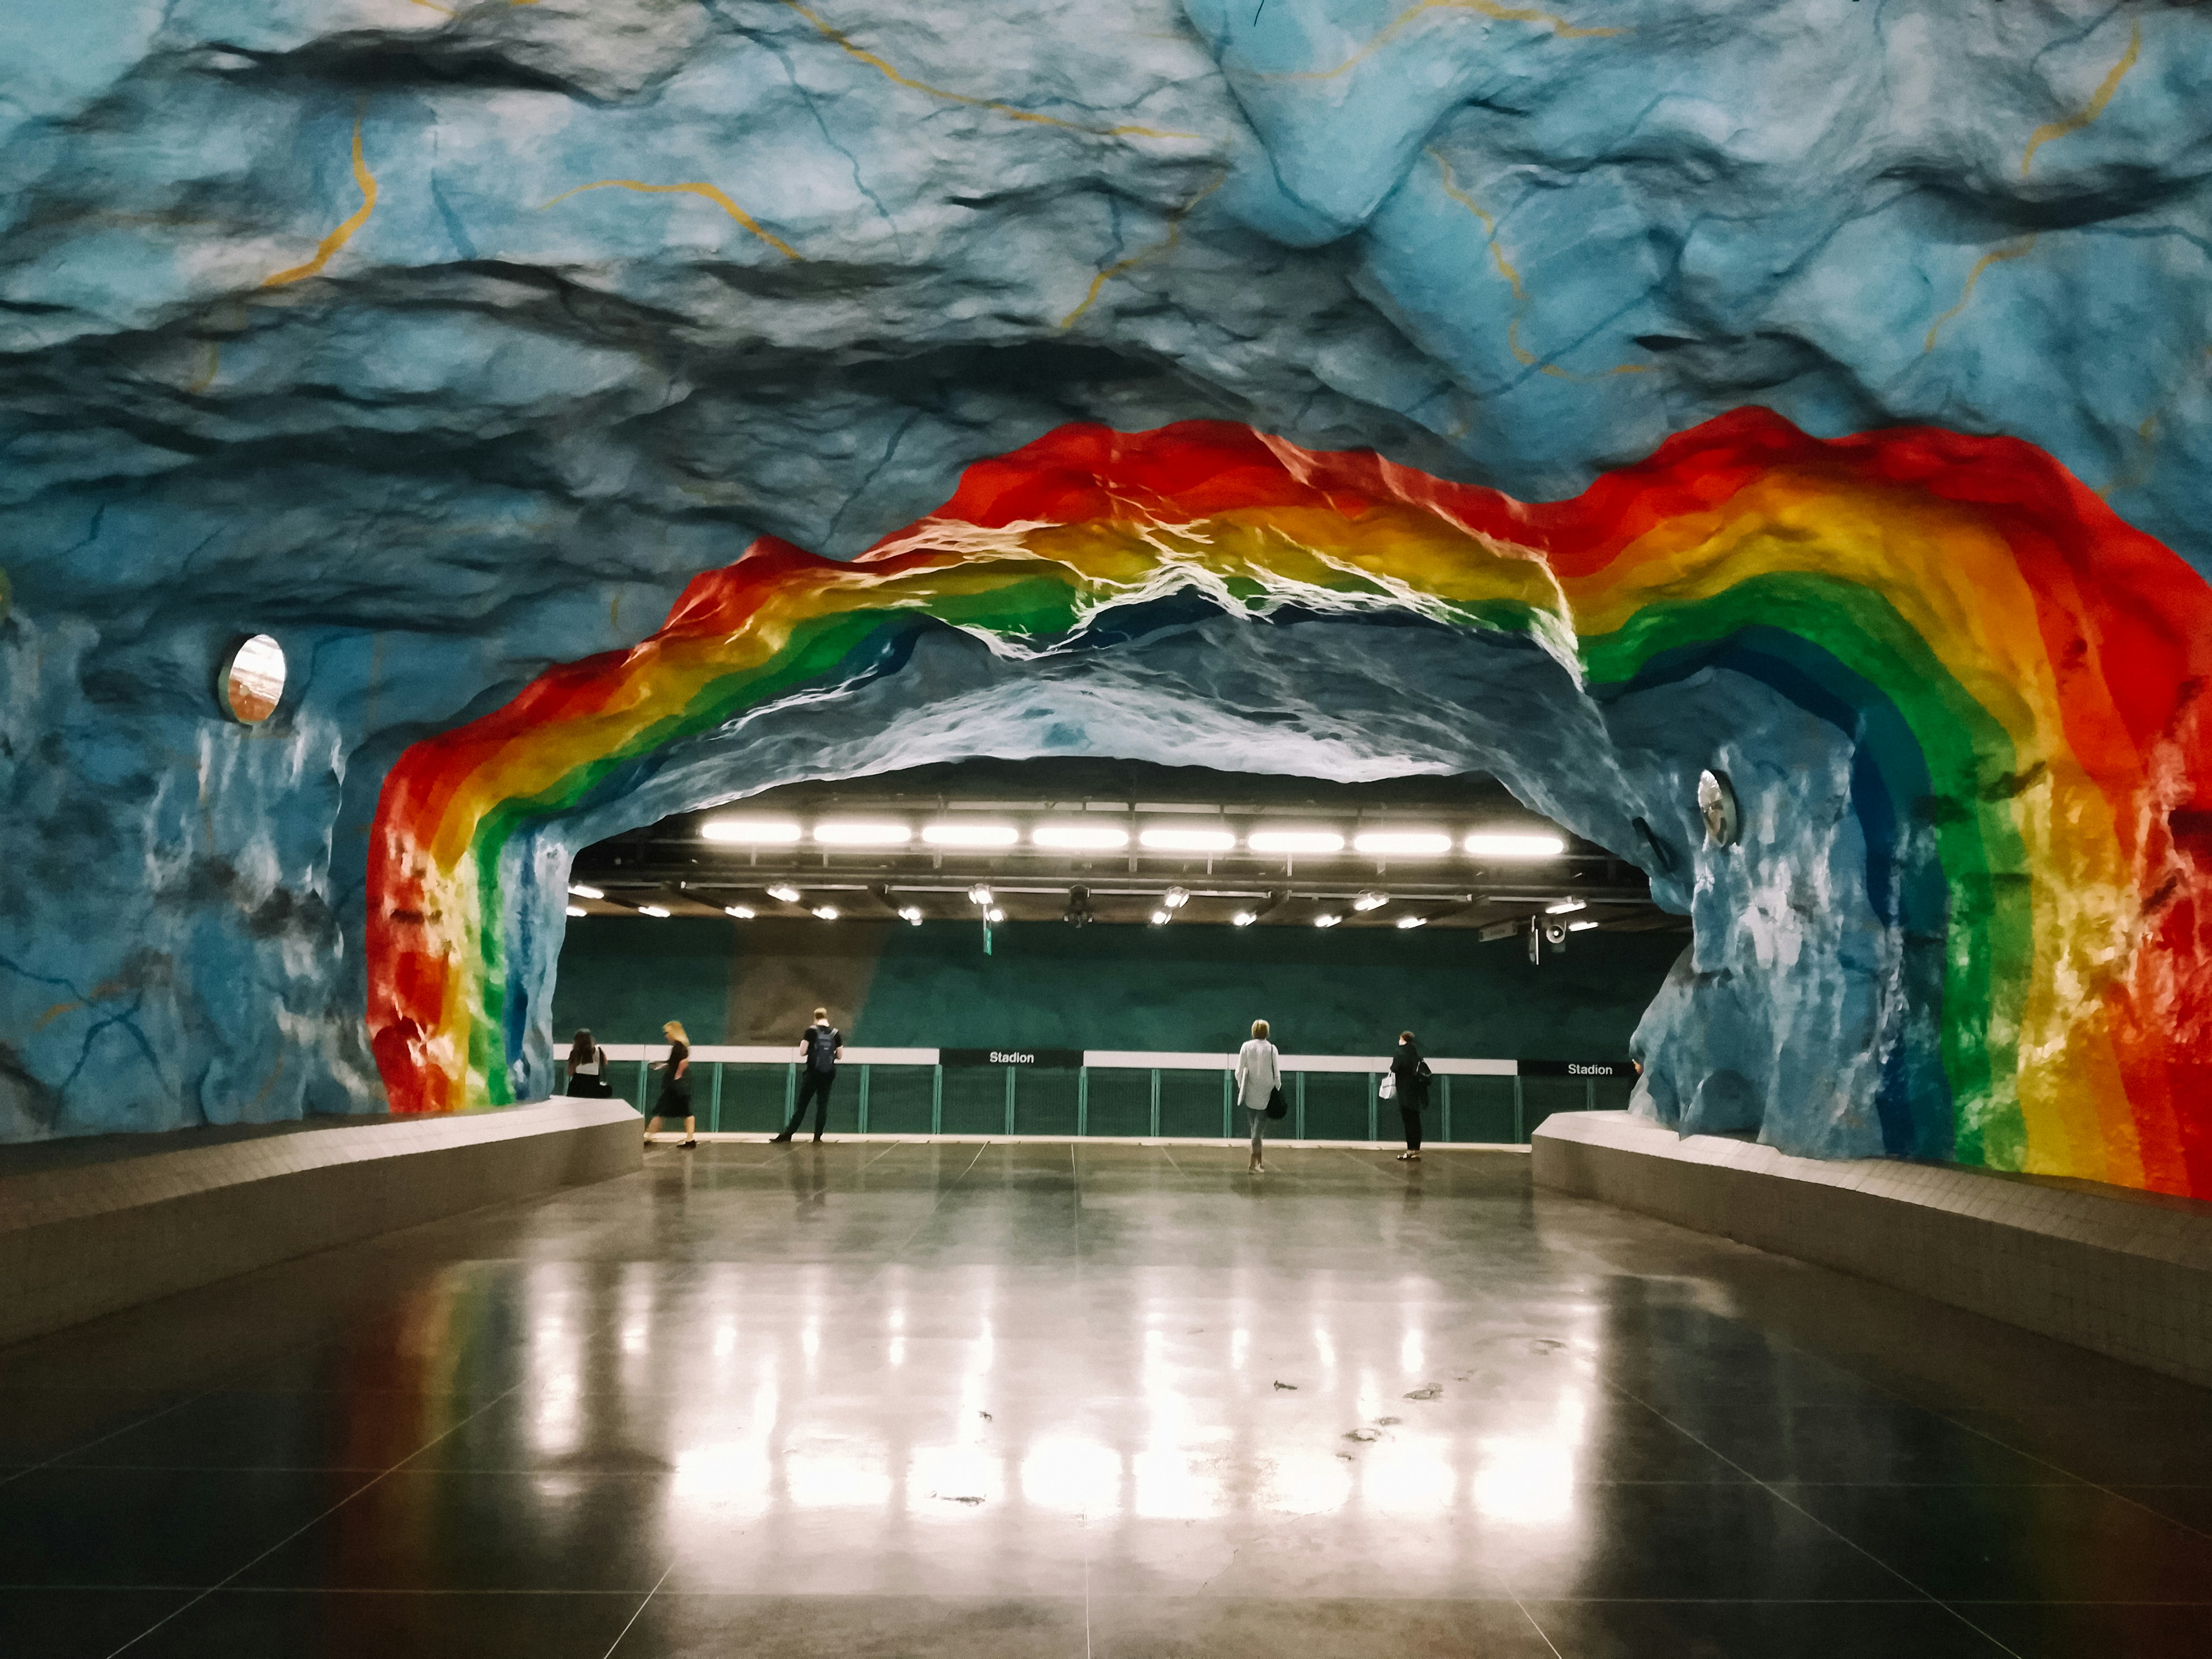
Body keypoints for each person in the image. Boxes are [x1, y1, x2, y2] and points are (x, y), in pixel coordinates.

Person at [773, 1007, 842, 1144]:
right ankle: (817, 1138)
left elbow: (802, 1052)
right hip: (828, 1073)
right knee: (823, 1105)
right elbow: (839, 1056)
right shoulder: (835, 1033)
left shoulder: (810, 1031)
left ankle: (789, 1134)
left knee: (802, 1105)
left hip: (812, 1073)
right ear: (827, 1017)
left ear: (815, 1018)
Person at [1236, 1018, 1281, 1175]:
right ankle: (1255, 1164)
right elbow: (1277, 1074)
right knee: (1257, 1132)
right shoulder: (1272, 1049)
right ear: (1267, 1032)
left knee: (1254, 1131)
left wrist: (1242, 1087)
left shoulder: (1246, 1047)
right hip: (1266, 1094)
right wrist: (1277, 1089)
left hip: (1250, 1094)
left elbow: (1239, 1071)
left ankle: (1255, 1163)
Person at [644, 1020, 696, 1149]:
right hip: (679, 1085)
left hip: (675, 1086)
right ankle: (690, 1139)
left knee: (660, 1111)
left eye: (668, 1033)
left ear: (674, 1032)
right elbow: (678, 1062)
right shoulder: (682, 1046)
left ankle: (647, 1137)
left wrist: (677, 1075)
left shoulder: (678, 1046)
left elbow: (684, 1063)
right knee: (686, 1112)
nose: (666, 1035)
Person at [1391, 1030, 1432, 1161]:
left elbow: (1394, 1068)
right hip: (1416, 1092)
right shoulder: (1416, 1053)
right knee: (1415, 1120)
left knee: (1408, 1121)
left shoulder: (1400, 1052)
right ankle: (1415, 1148)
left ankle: (1410, 1149)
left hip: (1405, 1092)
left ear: (1403, 1039)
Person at [565, 1029, 609, 1097]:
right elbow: (605, 1063)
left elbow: (570, 1073)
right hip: (594, 1088)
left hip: (577, 1088)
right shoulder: (599, 1050)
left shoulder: (575, 1053)